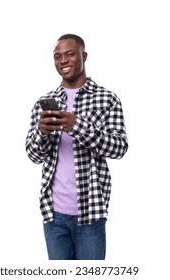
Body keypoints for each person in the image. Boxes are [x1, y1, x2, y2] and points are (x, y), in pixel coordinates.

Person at [25, 34, 128, 260]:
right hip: (53, 215)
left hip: (90, 213)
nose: (63, 60)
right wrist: (41, 132)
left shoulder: (107, 99)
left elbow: (119, 148)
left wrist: (77, 126)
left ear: (84, 56)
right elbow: (33, 156)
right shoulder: (45, 101)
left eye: (70, 54)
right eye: (57, 56)